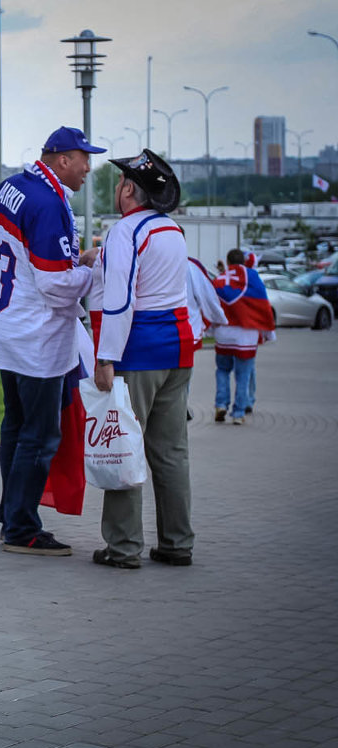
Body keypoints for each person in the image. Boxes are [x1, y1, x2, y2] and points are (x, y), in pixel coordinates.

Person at [0, 126, 101, 556]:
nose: (89, 167)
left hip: (5, 326)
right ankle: (21, 528)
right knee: (40, 434)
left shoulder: (12, 186)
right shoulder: (48, 202)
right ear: (62, 159)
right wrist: (89, 271)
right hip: (36, 337)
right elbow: (55, 284)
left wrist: (72, 261)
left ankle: (10, 514)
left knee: (14, 424)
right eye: (85, 158)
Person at [90, 149, 194, 568]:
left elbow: (120, 300)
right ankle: (177, 543)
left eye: (120, 183)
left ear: (129, 189)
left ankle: (124, 547)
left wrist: (105, 357)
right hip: (180, 350)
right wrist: (97, 260)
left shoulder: (124, 231)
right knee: (171, 453)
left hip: (139, 353)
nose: (118, 188)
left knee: (123, 446)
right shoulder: (172, 230)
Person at [211, 248, 275, 425]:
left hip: (223, 334)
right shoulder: (252, 277)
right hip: (246, 335)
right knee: (243, 374)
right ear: (244, 261)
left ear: (228, 261)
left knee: (222, 370)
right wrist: (268, 330)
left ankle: (221, 404)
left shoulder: (220, 279)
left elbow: (211, 305)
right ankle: (238, 413)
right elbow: (263, 304)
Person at [185, 257, 226, 420]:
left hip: (152, 330)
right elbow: (207, 296)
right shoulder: (190, 266)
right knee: (181, 375)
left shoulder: (142, 259)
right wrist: (218, 319)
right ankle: (180, 406)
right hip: (186, 330)